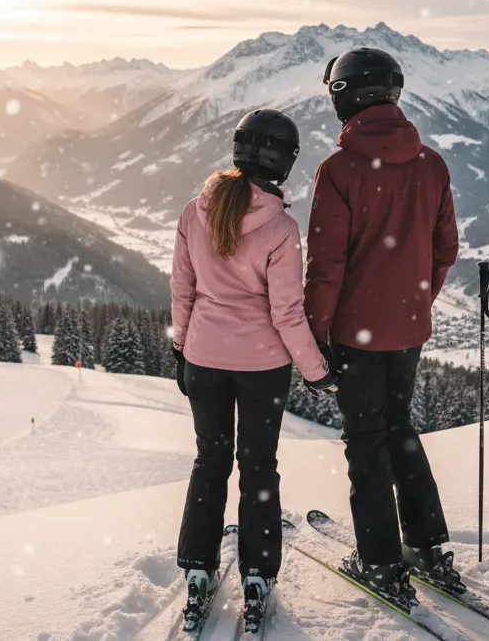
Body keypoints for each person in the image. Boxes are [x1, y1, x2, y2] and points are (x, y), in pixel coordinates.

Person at [304, 47, 461, 606]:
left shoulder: (338, 169)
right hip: (407, 331)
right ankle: (428, 547)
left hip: (355, 335)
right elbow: (446, 249)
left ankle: (379, 562)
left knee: (366, 443)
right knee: (400, 431)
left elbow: (326, 266)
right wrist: (416, 302)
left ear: (342, 95)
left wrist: (316, 336)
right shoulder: (432, 164)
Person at [171, 108, 337, 630]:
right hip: (262, 367)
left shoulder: (193, 211)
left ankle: (197, 568)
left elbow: (183, 290)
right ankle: (257, 574)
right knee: (258, 466)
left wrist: (183, 348)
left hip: (204, 359)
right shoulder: (281, 228)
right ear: (283, 162)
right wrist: (316, 371)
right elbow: (287, 312)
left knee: (209, 462)